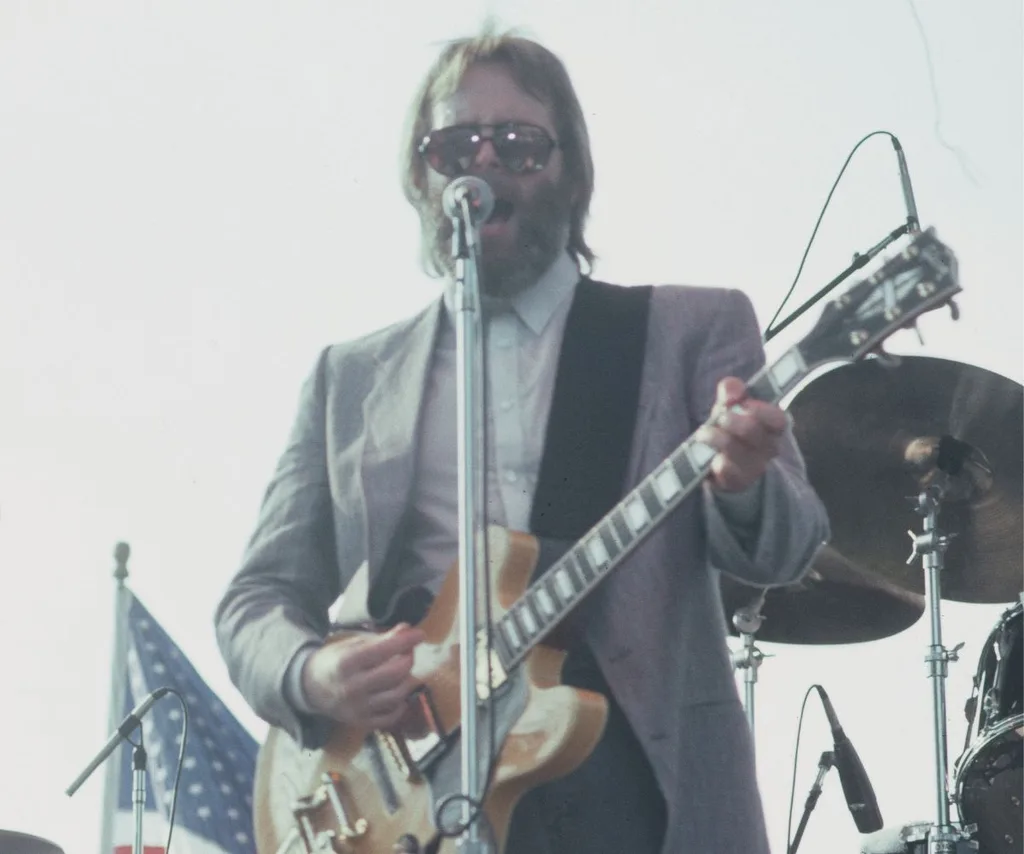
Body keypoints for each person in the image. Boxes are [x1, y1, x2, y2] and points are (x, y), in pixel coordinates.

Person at [215, 28, 830, 854]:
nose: (485, 163)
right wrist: (312, 674)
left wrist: (743, 479)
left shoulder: (683, 330)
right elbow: (255, 601)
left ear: (570, 170)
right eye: (455, 144)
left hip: (625, 776)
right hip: (399, 793)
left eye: (519, 143)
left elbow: (788, 549)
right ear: (419, 175)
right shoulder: (350, 378)